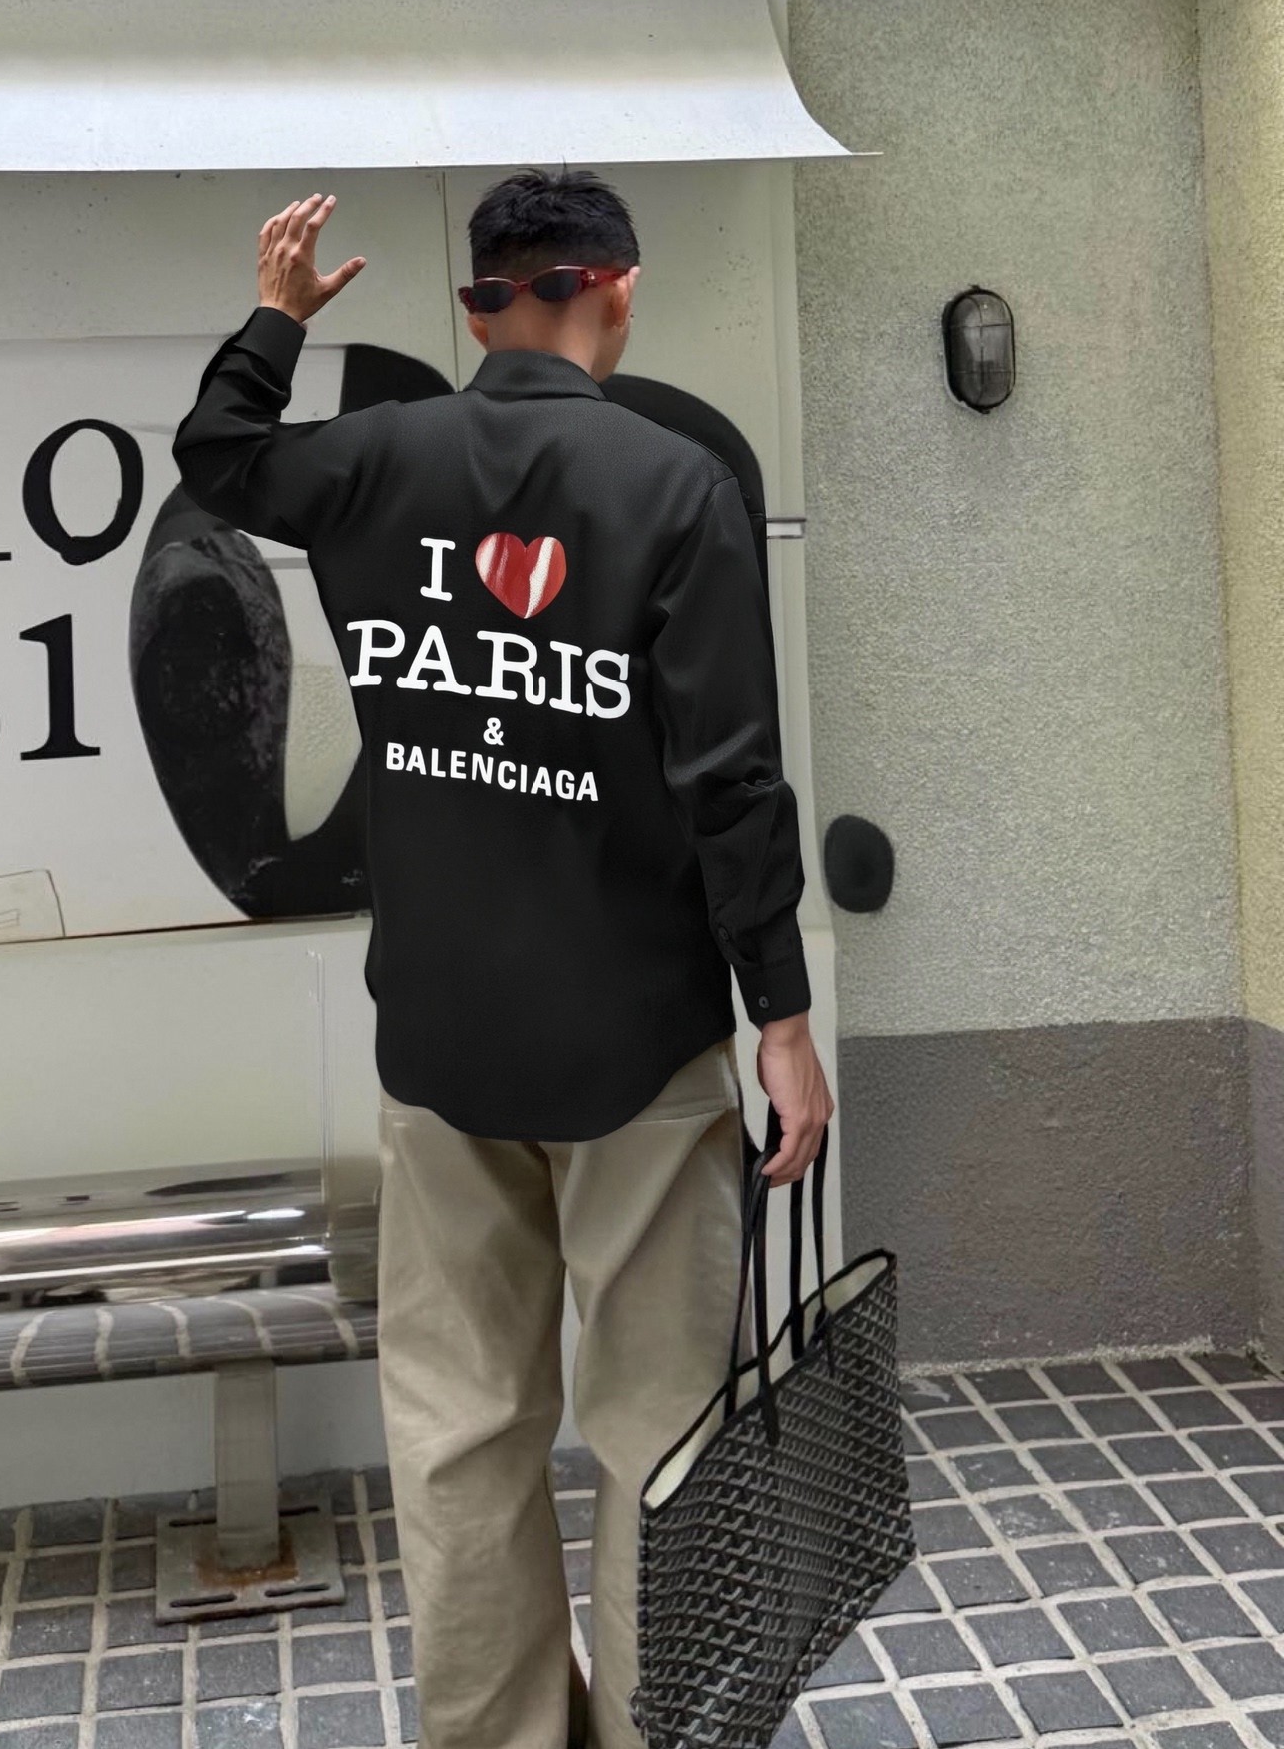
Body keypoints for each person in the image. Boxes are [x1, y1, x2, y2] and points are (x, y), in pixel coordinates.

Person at [172, 167, 835, 1749]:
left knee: (460, 1433)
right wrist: (781, 1015)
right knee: (662, 1431)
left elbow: (217, 457)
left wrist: (276, 321)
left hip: (442, 1043)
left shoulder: (377, 461)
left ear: (480, 307)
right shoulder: (675, 485)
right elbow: (732, 778)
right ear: (617, 290)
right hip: (638, 1043)